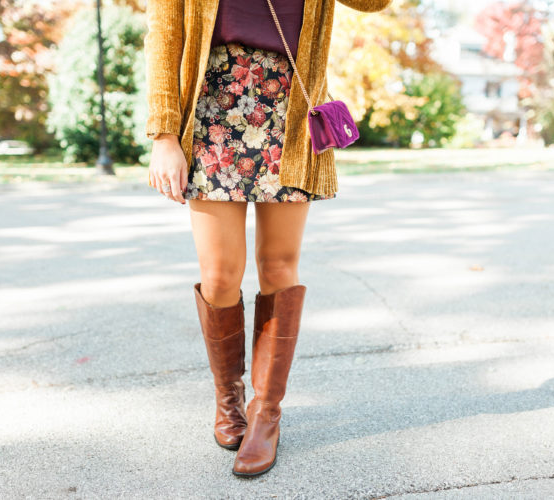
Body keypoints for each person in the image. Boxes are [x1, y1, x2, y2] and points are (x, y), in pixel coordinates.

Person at [144, 0, 392, 478]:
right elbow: (164, 35)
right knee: (219, 275)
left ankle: (266, 412)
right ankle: (228, 396)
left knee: (279, 267)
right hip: (212, 103)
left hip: (289, 108)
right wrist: (163, 135)